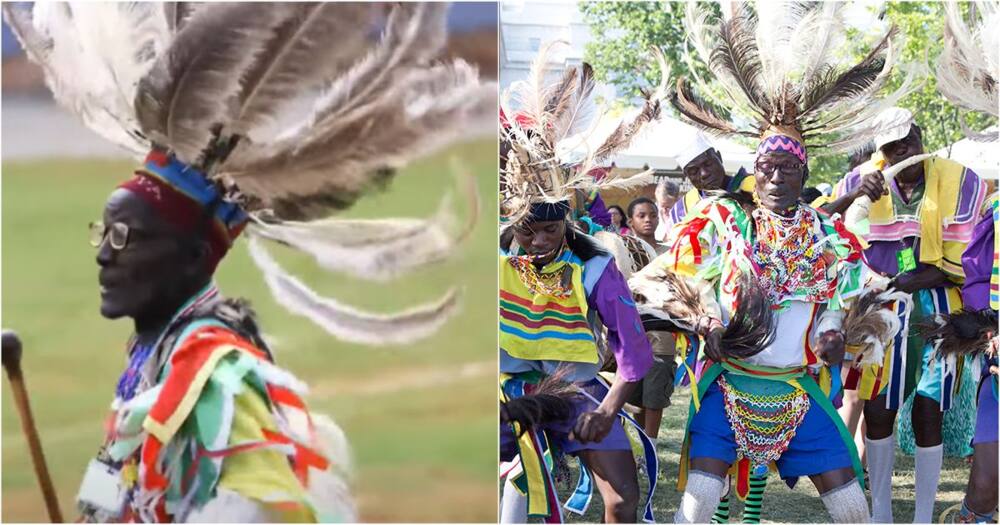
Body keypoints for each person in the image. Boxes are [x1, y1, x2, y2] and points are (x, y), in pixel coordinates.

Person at [5, 3, 486, 521]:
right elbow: (122, 469)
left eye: (125, 236)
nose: (104, 252)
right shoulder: (157, 353)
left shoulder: (217, 376)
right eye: (104, 232)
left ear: (191, 256)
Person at [662, 3, 912, 521]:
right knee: (698, 503)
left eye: (787, 170)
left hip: (798, 390)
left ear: (803, 175)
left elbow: (848, 298)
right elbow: (675, 280)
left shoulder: (829, 235)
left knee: (851, 507)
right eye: (767, 169)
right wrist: (705, 319)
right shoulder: (724, 222)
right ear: (754, 171)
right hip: (729, 385)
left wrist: (832, 331)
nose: (775, 179)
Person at [499, 42, 663, 523]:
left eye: (552, 230)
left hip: (576, 390)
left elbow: (633, 350)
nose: (541, 242)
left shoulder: (594, 265)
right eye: (529, 231)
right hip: (506, 392)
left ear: (568, 221)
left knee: (622, 499)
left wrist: (610, 409)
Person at [828, 108, 987, 523]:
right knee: (879, 409)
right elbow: (825, 229)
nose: (904, 152)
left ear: (921, 140)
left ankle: (921, 516)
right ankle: (880, 511)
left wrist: (917, 278)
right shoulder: (860, 181)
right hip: (880, 310)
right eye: (893, 146)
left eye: (910, 141)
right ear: (882, 151)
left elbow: (966, 256)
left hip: (938, 308)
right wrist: (856, 197)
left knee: (928, 410)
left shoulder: (959, 180)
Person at [657, 131, 754, 241]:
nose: (704, 173)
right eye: (694, 171)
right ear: (687, 175)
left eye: (708, 164)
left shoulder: (751, 189)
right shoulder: (682, 210)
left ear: (719, 157)